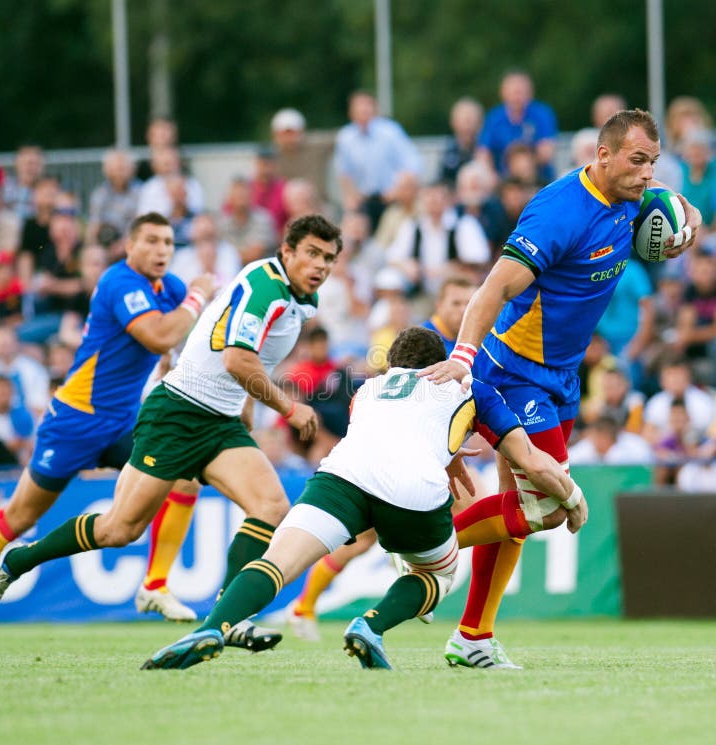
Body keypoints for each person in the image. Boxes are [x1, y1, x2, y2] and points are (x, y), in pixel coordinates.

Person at [0, 214, 340, 655]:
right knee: (119, 529)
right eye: (312, 253)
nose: (320, 264)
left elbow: (248, 354)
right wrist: (290, 407)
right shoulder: (266, 285)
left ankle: (227, 617)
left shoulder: (301, 298)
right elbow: (237, 360)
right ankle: (17, 560)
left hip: (218, 423)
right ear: (287, 251)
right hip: (177, 414)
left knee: (272, 506)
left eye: (329, 258)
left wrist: (245, 409)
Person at [417, 108, 702, 667]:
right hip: (514, 370)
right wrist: (463, 357)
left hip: (562, 377)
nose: (648, 173)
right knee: (546, 503)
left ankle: (472, 637)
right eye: (638, 160)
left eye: (653, 162)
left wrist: (686, 225)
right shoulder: (558, 212)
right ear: (603, 156)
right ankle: (424, 545)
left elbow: (675, 201)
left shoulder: (636, 193)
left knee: (512, 516)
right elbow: (492, 289)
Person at [140, 326, 587, 671]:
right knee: (437, 575)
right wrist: (571, 496)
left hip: (341, 477)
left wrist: (448, 451)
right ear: (444, 361)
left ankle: (210, 627)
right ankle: (370, 626)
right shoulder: (469, 386)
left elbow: (399, 428)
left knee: (277, 561)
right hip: (413, 493)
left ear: (391, 363)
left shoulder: (368, 390)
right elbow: (529, 458)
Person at [0, 212, 215, 652]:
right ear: (130, 246)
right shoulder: (120, 283)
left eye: (168, 243)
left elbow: (177, 339)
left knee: (186, 473)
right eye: (153, 242)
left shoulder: (170, 288)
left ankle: (155, 584)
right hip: (74, 422)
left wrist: (178, 351)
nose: (162, 251)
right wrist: (197, 298)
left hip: (122, 422)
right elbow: (160, 335)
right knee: (20, 515)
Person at [289, 279, 475, 640]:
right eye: (455, 302)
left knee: (362, 540)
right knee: (469, 506)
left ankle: (306, 605)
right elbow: (386, 383)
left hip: (427, 456)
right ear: (439, 303)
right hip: (400, 457)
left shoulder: (471, 341)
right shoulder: (427, 341)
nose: (462, 310)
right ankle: (424, 574)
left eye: (469, 302)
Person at [334, 90, 422, 231]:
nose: (363, 110)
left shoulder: (391, 131)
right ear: (351, 112)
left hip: (391, 199)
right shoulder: (345, 137)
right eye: (359, 107)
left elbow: (413, 164)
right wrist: (351, 197)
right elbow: (344, 173)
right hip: (363, 201)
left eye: (366, 106)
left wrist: (397, 190)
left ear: (375, 109)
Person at [476, 70, 558, 181]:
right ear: (503, 93)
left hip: (538, 175)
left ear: (530, 93)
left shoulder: (542, 114)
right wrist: (491, 174)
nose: (517, 97)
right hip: (502, 176)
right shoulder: (494, 117)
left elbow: (547, 151)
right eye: (514, 92)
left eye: (521, 92)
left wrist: (522, 162)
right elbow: (483, 152)